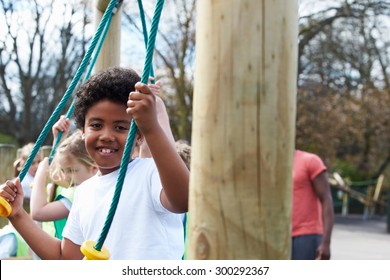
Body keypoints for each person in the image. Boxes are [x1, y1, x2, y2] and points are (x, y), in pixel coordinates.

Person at [0, 67, 189, 260]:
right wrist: (17, 215)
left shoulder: (150, 173)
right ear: (82, 130)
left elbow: (183, 199)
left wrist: (152, 127)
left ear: (138, 136)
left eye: (120, 127)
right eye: (96, 125)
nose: (106, 136)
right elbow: (65, 257)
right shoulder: (83, 192)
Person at [30, 130, 97, 240]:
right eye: (63, 170)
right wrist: (59, 140)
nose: (65, 177)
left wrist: (40, 173)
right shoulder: (96, 185)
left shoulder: (79, 194)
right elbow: (56, 176)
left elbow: (38, 213)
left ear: (94, 167)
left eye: (71, 170)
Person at [291, 149, 334, 260]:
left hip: (306, 235)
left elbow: (326, 199)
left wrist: (326, 242)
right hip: (279, 235)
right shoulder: (270, 163)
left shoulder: (309, 161)